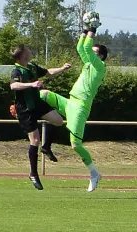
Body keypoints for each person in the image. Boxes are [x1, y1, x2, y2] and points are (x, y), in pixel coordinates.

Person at [40, 12, 107, 192]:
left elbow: (86, 48)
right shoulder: (89, 64)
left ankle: (94, 173)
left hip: (80, 108)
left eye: (94, 51)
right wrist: (85, 30)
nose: (89, 52)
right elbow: (80, 48)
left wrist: (92, 29)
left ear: (100, 56)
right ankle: (42, 138)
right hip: (70, 102)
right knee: (42, 94)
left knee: (75, 145)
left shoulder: (99, 67)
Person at [9, 44, 71, 190]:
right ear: (23, 54)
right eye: (28, 51)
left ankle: (46, 146)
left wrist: (62, 68)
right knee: (34, 139)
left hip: (37, 104)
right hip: (25, 109)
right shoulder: (16, 71)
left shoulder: (32, 67)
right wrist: (32, 84)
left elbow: (48, 72)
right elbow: (13, 86)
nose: (31, 52)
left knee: (58, 120)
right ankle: (33, 173)